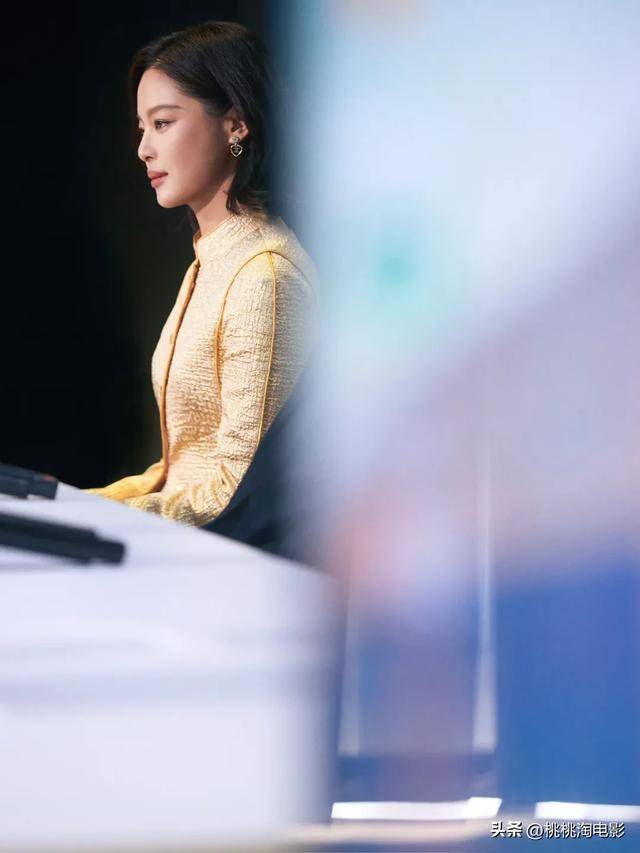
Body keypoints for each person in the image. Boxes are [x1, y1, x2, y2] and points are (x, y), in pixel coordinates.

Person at [84, 21, 318, 526]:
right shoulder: (213, 258)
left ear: (235, 125)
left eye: (163, 123)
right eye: (142, 128)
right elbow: (181, 470)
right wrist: (75, 503)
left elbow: (235, 492)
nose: (143, 149)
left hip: (220, 562)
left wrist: (92, 517)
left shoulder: (265, 277)